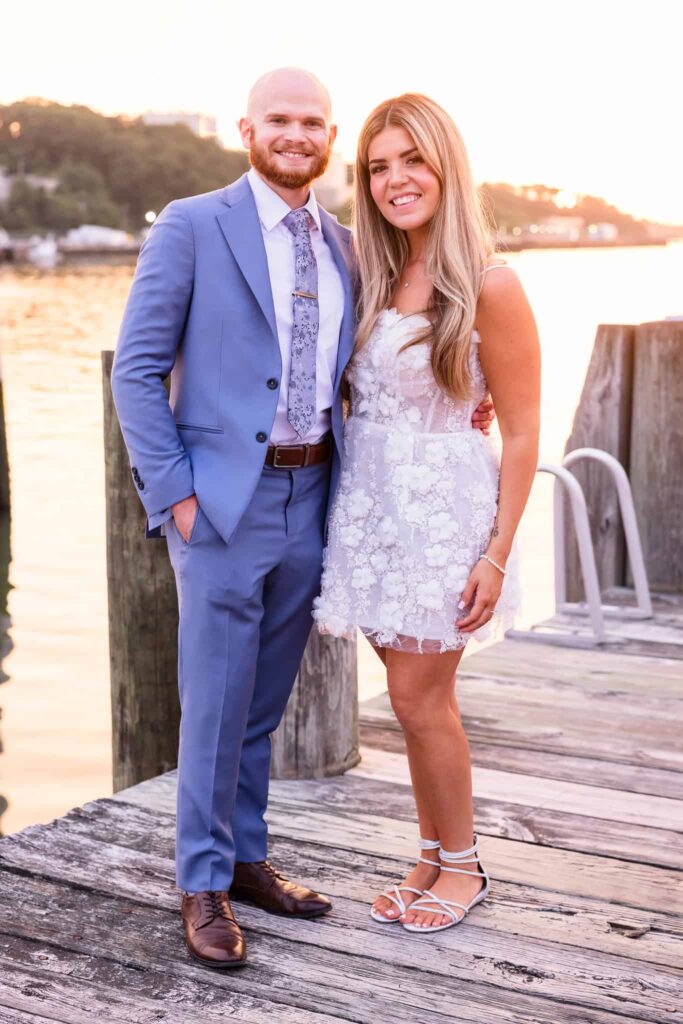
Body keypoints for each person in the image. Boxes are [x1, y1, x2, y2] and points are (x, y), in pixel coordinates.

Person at [111, 67, 498, 967]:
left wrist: (473, 396)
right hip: (219, 504)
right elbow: (135, 371)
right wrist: (174, 493)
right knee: (211, 703)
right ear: (247, 128)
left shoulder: (346, 244)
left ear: (331, 143)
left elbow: (397, 350)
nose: (296, 134)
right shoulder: (191, 225)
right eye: (279, 119)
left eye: (313, 123)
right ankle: (201, 884)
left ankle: (247, 861)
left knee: (261, 704)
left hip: (315, 493)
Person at [314, 93, 541, 934]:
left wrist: (496, 553)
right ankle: (430, 851)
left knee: (420, 700)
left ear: (446, 165)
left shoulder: (491, 283)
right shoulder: (369, 274)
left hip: (442, 516)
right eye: (377, 166)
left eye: (411, 161)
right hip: (370, 514)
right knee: (405, 694)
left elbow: (520, 433)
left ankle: (466, 865)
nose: (393, 180)